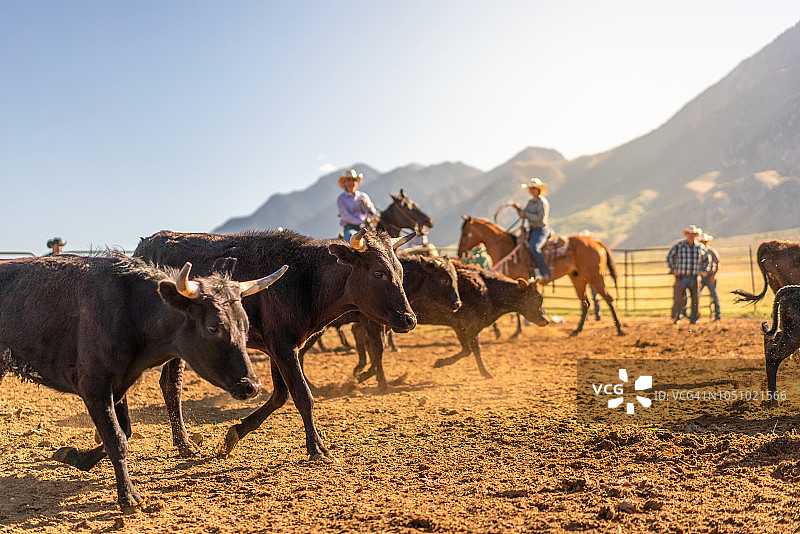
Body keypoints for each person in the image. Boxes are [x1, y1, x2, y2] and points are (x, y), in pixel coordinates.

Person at [666, 225, 710, 324]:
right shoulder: (679, 246)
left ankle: (694, 318)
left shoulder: (700, 247)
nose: (691, 236)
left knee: (695, 299)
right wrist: (673, 269)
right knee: (678, 298)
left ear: (695, 235)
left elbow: (707, 260)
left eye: (693, 234)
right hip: (681, 277)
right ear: (686, 235)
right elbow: (670, 257)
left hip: (694, 277)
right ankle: (676, 317)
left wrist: (704, 270)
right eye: (689, 234)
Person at [513, 178, 551, 282]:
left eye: (533, 188)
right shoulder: (530, 202)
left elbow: (539, 218)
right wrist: (518, 209)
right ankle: (532, 271)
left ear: (538, 189)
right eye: (530, 188)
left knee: (534, 247)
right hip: (532, 230)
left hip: (541, 229)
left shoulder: (541, 202)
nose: (531, 190)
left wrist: (526, 214)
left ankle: (545, 272)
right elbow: (523, 215)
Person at [336, 169, 378, 243]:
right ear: (345, 183)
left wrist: (366, 204)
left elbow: (373, 212)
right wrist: (361, 222)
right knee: (350, 237)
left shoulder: (363, 195)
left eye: (353, 180)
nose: (351, 182)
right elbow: (345, 216)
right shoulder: (341, 199)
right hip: (351, 227)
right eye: (348, 180)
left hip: (367, 226)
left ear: (356, 182)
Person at [698, 232, 722, 321]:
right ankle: (696, 314)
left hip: (710, 276)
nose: (703, 243)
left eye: (705, 241)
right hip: (701, 277)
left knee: (714, 295)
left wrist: (713, 275)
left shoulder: (711, 251)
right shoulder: (698, 251)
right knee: (696, 295)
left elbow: (717, 264)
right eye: (702, 241)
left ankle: (718, 314)